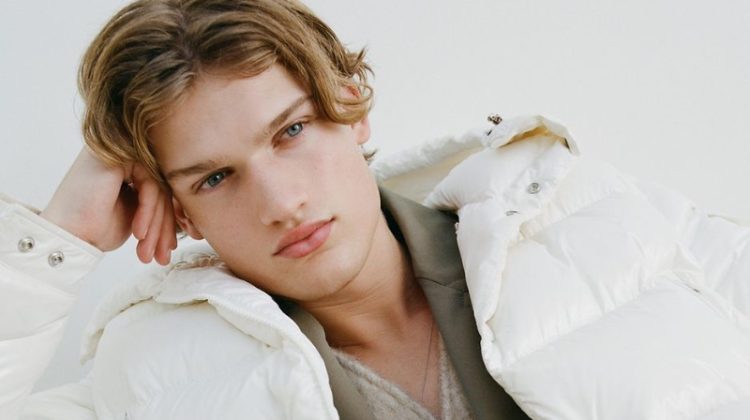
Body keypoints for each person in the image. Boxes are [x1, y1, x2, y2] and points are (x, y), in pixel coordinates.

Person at [1, 1, 749, 419]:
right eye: (216, 178)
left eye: (291, 132)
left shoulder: (582, 215)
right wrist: (57, 239)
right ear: (180, 213)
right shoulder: (153, 376)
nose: (282, 203)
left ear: (350, 104)